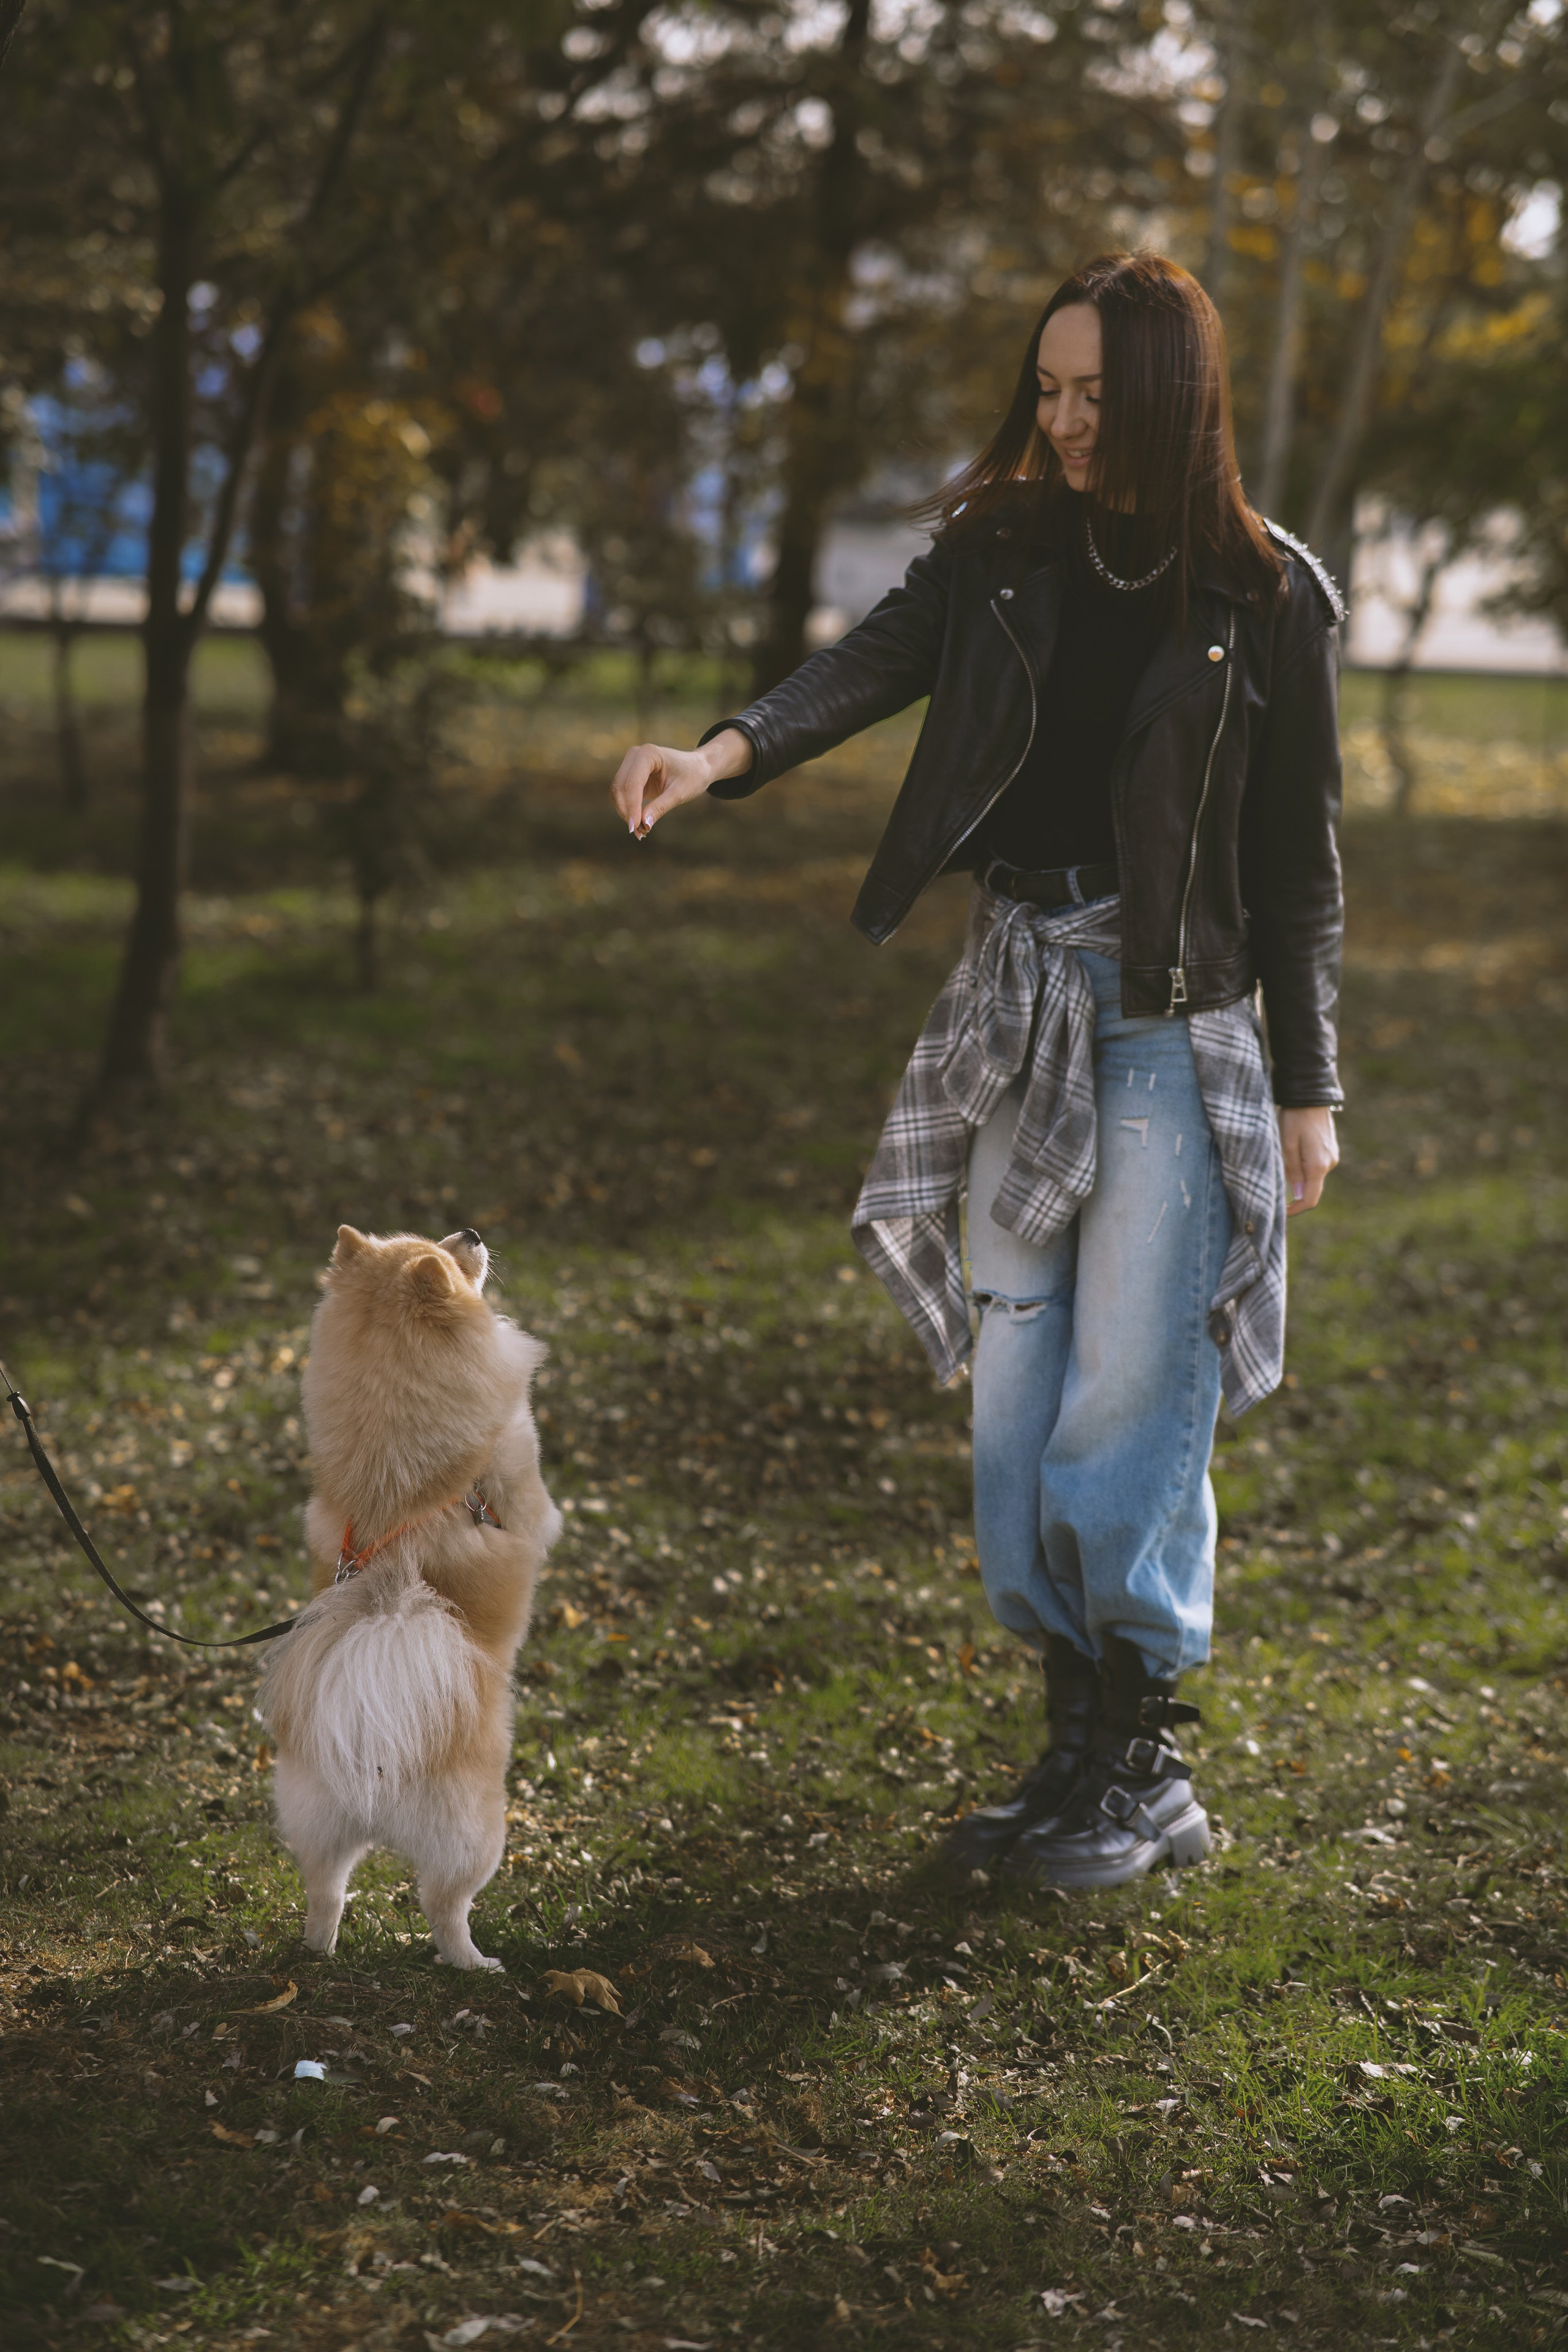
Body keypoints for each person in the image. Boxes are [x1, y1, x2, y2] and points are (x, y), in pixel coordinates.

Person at [609, 251, 1342, 1892]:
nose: (1064, 422)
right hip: (1019, 998)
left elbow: (1298, 861)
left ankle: (1144, 1767)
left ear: (1171, 395)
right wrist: (714, 758)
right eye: (1051, 391)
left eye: (1094, 394)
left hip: (1172, 1013)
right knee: (1017, 1397)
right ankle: (1071, 1741)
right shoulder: (1002, 551)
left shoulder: (1265, 595)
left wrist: (1312, 1087)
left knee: (1134, 1387)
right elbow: (863, 666)